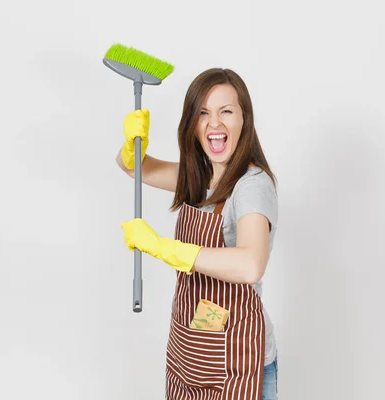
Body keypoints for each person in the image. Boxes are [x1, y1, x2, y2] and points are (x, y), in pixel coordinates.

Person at [117, 68, 279, 400]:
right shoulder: (199, 177)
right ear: (192, 124)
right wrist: (132, 146)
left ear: (244, 120)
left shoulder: (251, 186)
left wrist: (165, 248)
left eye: (226, 111)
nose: (214, 123)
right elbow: (135, 168)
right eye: (203, 113)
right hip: (191, 355)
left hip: (238, 364)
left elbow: (250, 264)